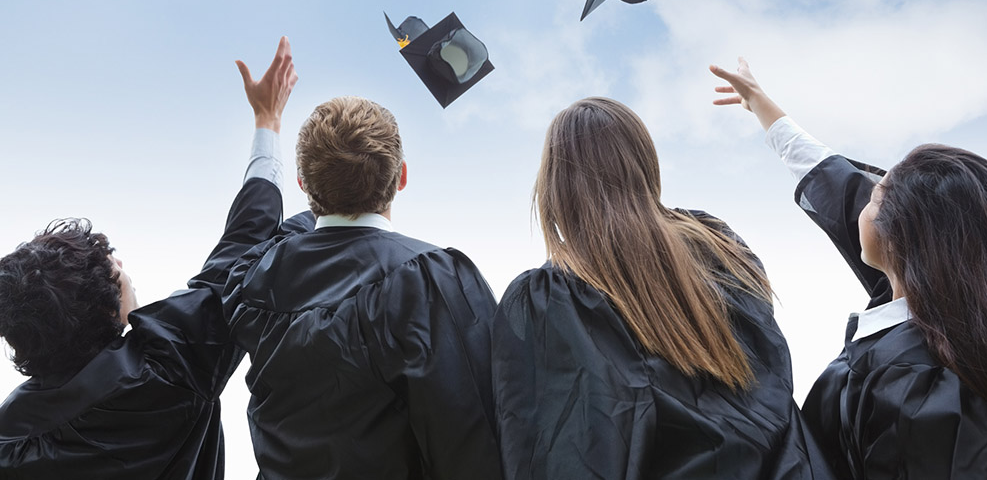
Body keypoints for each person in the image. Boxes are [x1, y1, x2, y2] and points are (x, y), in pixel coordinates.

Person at [0, 36, 298, 479]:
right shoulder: (164, 373)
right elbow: (244, 245)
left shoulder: (11, 439)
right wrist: (268, 121)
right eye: (108, 264)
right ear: (105, 309)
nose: (119, 266)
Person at [492, 96, 836, 480]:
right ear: (643, 162)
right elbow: (771, 368)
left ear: (556, 183)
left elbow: (551, 451)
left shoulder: (544, 300)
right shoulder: (718, 244)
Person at [711, 57, 987, 478]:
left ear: (900, 236)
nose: (866, 192)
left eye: (878, 195)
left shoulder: (916, 391)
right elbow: (833, 180)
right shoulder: (933, 296)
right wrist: (761, 103)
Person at [221, 96, 502, 480]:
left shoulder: (255, 280)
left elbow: (269, 235)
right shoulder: (430, 279)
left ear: (303, 184)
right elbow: (473, 436)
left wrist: (330, 188)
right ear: (401, 176)